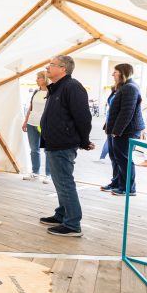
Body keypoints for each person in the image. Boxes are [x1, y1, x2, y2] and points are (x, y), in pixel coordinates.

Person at [39, 55, 95, 237]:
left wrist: (84, 140)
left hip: (63, 143)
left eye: (51, 65)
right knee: (59, 182)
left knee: (64, 182)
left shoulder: (72, 87)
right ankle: (62, 214)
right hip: (55, 142)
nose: (47, 68)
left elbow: (83, 117)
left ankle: (72, 224)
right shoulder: (57, 87)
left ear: (63, 68)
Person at [105, 63, 145, 196]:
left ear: (123, 73)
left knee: (124, 158)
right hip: (116, 129)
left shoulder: (130, 88)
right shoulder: (120, 87)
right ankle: (117, 182)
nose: (113, 75)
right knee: (115, 156)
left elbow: (127, 112)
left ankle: (128, 188)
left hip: (126, 130)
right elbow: (113, 109)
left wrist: (117, 131)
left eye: (115, 72)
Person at [21, 71, 51, 184]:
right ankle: (35, 173)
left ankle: (48, 175)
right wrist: (25, 121)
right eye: (37, 78)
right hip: (32, 123)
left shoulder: (51, 92)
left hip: (45, 125)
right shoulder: (36, 92)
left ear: (45, 79)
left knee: (48, 151)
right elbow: (31, 108)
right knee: (34, 150)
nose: (37, 80)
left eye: (39, 78)